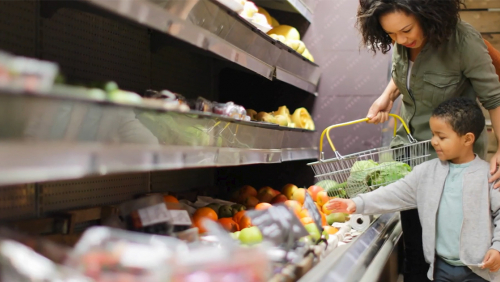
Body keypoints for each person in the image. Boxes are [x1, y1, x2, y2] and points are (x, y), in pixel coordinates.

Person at [357, 1, 500, 280]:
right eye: (391, 35)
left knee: (450, 255)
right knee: (415, 253)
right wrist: (387, 96)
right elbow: (408, 74)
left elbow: (495, 98)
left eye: (406, 30)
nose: (401, 40)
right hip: (409, 157)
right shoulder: (403, 39)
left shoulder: (463, 41)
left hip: (449, 164)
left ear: (427, 13)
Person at [326, 98, 500, 281]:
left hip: (481, 270)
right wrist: (357, 203)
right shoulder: (426, 173)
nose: (434, 142)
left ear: (468, 139)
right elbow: (395, 192)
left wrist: (497, 247)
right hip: (441, 269)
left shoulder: (488, 175)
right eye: (433, 134)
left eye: (441, 137)